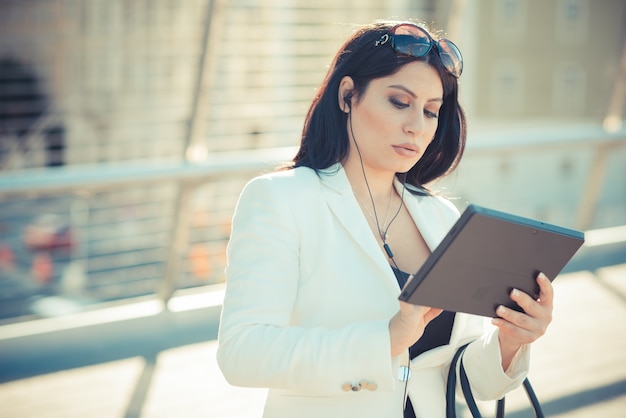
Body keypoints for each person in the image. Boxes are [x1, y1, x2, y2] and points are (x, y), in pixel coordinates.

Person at [217, 20, 553, 418]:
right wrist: (386, 340)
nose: (416, 126)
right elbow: (242, 353)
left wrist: (511, 341)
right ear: (347, 96)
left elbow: (464, 379)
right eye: (399, 102)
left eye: (431, 112)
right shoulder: (280, 199)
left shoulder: (441, 217)